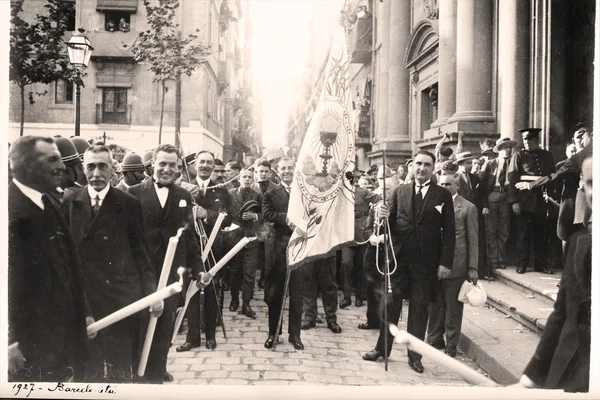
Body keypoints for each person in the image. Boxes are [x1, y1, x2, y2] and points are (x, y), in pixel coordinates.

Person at [62, 145, 161, 383]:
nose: (96, 173)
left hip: (120, 300)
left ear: (112, 170)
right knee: (88, 372)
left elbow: (141, 254)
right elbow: (65, 261)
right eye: (90, 167)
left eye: (102, 166)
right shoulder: (70, 202)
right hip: (85, 301)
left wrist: (152, 293)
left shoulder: (128, 203)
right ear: (83, 170)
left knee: (120, 370)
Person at [8, 136, 95, 382]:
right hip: (30, 345)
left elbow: (70, 263)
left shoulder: (48, 201)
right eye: (53, 160)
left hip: (64, 339)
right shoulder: (10, 208)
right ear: (27, 165)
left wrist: (85, 311)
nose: (61, 167)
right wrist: (8, 340)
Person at [363, 151, 455, 375]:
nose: (422, 168)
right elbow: (388, 227)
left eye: (427, 165)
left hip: (426, 264)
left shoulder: (442, 195)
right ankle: (382, 349)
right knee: (390, 306)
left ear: (433, 169)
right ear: (412, 166)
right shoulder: (399, 192)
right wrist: (381, 217)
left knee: (419, 310)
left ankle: (415, 356)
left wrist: (445, 263)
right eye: (418, 164)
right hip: (399, 261)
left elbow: (450, 233)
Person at [513, 155, 592, 392]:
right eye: (591, 183)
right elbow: (561, 315)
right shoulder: (578, 243)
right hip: (569, 374)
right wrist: (531, 377)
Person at [127, 144, 202, 383]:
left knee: (166, 323)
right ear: (152, 166)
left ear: (179, 168)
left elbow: (190, 237)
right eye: (162, 164)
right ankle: (138, 372)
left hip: (172, 273)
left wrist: (199, 269)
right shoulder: (134, 193)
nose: (166, 169)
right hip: (141, 271)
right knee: (140, 323)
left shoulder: (183, 196)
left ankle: (158, 370)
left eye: (172, 165)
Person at [175, 150, 231, 353]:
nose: (205, 166)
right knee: (190, 294)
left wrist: (207, 214)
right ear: (195, 165)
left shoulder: (222, 191)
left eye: (209, 162)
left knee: (211, 292)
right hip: (191, 248)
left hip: (213, 249)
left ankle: (210, 336)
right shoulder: (184, 189)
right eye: (202, 162)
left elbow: (228, 218)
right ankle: (192, 338)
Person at [426, 173, 478, 358]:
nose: (444, 187)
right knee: (435, 303)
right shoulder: (434, 204)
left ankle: (451, 344)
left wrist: (472, 267)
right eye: (441, 183)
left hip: (457, 265)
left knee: (453, 307)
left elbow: (473, 239)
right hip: (434, 263)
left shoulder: (467, 208)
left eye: (448, 184)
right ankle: (433, 339)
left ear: (457, 186)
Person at [262, 157, 305, 350]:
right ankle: (274, 333)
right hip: (277, 250)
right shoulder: (270, 193)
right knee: (275, 294)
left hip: (299, 248)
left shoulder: (304, 192)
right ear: (276, 172)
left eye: (290, 167)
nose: (287, 171)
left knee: (296, 295)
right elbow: (268, 216)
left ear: (295, 169)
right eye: (283, 168)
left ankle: (295, 335)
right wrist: (290, 219)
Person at [507, 128, 557, 274]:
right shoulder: (518, 155)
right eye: (524, 139)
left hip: (541, 198)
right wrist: (514, 201)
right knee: (523, 233)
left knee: (541, 233)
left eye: (529, 139)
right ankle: (522, 264)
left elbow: (551, 176)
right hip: (524, 200)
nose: (526, 142)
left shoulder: (546, 155)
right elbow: (513, 180)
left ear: (536, 140)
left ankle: (540, 265)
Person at [339, 172, 381, 309]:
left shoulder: (362, 193)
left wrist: (376, 210)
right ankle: (346, 296)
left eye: (351, 180)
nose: (349, 183)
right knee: (345, 264)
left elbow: (378, 198)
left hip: (362, 233)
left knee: (361, 267)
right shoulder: (340, 194)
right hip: (347, 234)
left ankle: (359, 296)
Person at [227, 167, 262, 317]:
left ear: (253, 178)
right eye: (244, 177)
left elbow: (264, 213)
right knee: (235, 270)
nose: (247, 179)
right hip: (234, 238)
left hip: (250, 238)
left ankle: (246, 304)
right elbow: (226, 213)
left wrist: (255, 216)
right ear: (239, 178)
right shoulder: (230, 194)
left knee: (249, 272)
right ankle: (234, 299)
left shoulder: (257, 195)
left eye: (249, 177)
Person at [479, 137, 517, 272]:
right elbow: (482, 187)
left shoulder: (514, 164)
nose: (507, 150)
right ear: (499, 150)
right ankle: (492, 260)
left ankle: (501, 259)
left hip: (507, 196)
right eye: (504, 148)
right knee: (491, 229)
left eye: (509, 148)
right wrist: (484, 204)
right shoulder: (490, 164)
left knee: (504, 229)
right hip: (492, 196)